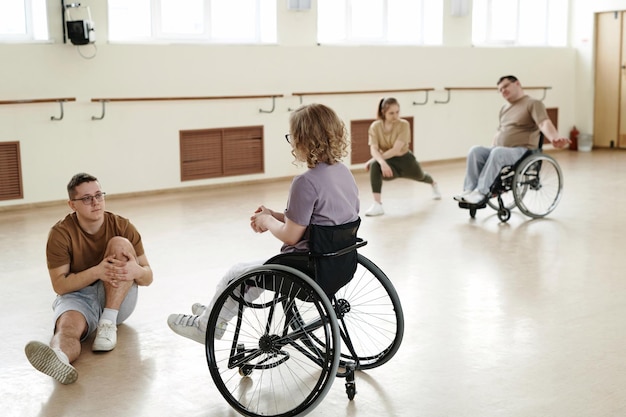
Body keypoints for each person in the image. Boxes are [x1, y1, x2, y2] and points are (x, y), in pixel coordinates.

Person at [167, 103, 360, 344]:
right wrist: (276, 214)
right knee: (252, 273)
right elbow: (319, 222)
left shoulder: (305, 182)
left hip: (307, 270)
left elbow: (291, 236)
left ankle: (207, 326)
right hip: (339, 265)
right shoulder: (344, 173)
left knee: (237, 273)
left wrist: (267, 221)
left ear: (301, 140)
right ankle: (216, 312)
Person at [25, 173, 153, 384]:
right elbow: (60, 284)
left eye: (98, 195)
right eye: (86, 198)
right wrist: (97, 271)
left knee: (119, 244)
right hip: (78, 295)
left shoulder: (122, 226)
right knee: (67, 328)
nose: (95, 202)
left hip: (117, 296)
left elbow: (148, 276)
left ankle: (107, 323)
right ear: (72, 204)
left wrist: (136, 271)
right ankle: (60, 358)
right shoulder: (60, 233)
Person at [454, 75, 571, 205]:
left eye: (505, 86)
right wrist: (491, 149)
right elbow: (500, 131)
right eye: (500, 90)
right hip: (499, 150)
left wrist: (554, 138)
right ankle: (468, 190)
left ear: (517, 84)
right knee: (475, 150)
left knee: (497, 152)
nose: (503, 91)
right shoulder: (504, 108)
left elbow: (543, 123)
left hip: (521, 150)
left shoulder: (533, 103)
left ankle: (481, 193)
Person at [364, 97, 441, 217]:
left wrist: (378, 158)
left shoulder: (404, 124)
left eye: (397, 112)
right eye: (391, 113)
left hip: (406, 160)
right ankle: (377, 205)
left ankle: (434, 184)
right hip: (389, 162)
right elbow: (373, 148)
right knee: (375, 165)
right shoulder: (375, 126)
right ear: (383, 112)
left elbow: (396, 150)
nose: (395, 116)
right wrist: (380, 162)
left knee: (421, 176)